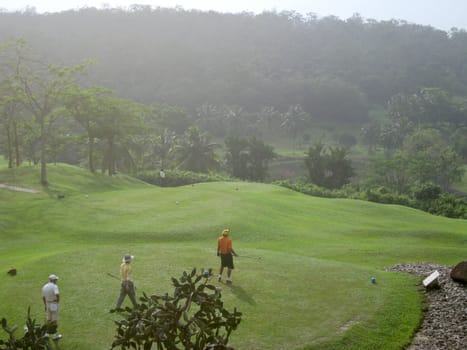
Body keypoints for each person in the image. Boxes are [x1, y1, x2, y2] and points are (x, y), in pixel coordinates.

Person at [42, 274, 62, 340]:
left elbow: (43, 297)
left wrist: (45, 305)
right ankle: (54, 335)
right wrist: (58, 300)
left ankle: (46, 334)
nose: (56, 281)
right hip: (53, 304)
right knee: (54, 320)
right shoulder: (54, 286)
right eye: (56, 280)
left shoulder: (44, 286)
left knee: (49, 319)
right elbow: (57, 294)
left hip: (47, 304)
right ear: (53, 280)